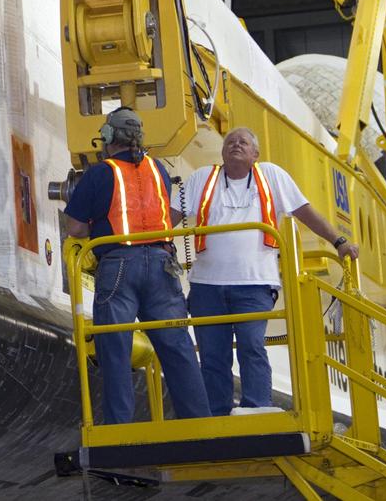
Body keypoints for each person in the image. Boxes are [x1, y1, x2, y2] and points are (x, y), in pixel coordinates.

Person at [185, 126, 360, 417]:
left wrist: (339, 242)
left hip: (253, 285)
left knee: (252, 347)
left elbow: (305, 212)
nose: (235, 145)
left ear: (256, 154)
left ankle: (256, 408)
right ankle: (215, 415)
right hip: (206, 286)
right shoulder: (202, 178)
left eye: (243, 142)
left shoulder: (272, 175)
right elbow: (170, 216)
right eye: (230, 142)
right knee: (213, 355)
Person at [64, 107, 209, 424]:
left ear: (108, 137)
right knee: (176, 345)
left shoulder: (102, 172)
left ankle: (120, 427)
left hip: (119, 266)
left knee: (114, 346)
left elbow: (75, 227)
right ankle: (199, 423)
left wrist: (100, 228)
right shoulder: (157, 169)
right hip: (162, 265)